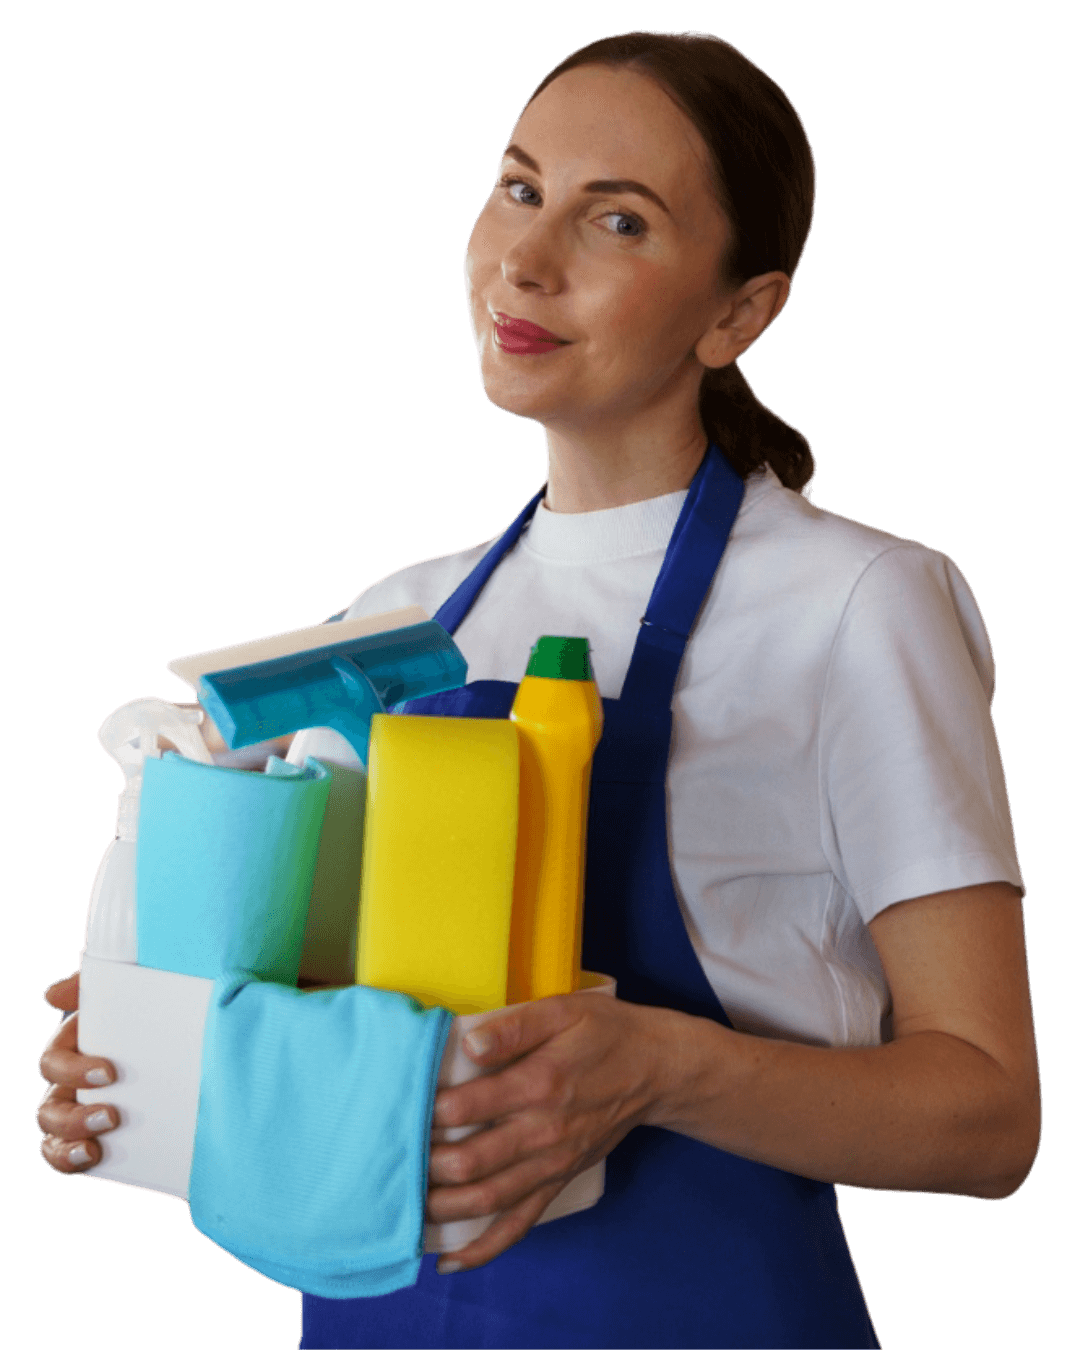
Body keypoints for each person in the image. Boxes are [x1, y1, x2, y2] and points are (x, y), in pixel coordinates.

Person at [38, 29, 1040, 1350]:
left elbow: (989, 1119)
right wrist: (163, 1063)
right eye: (518, 188)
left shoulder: (859, 600)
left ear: (740, 312)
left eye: (618, 219)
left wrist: (664, 1067)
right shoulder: (393, 619)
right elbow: (332, 1032)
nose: (525, 258)